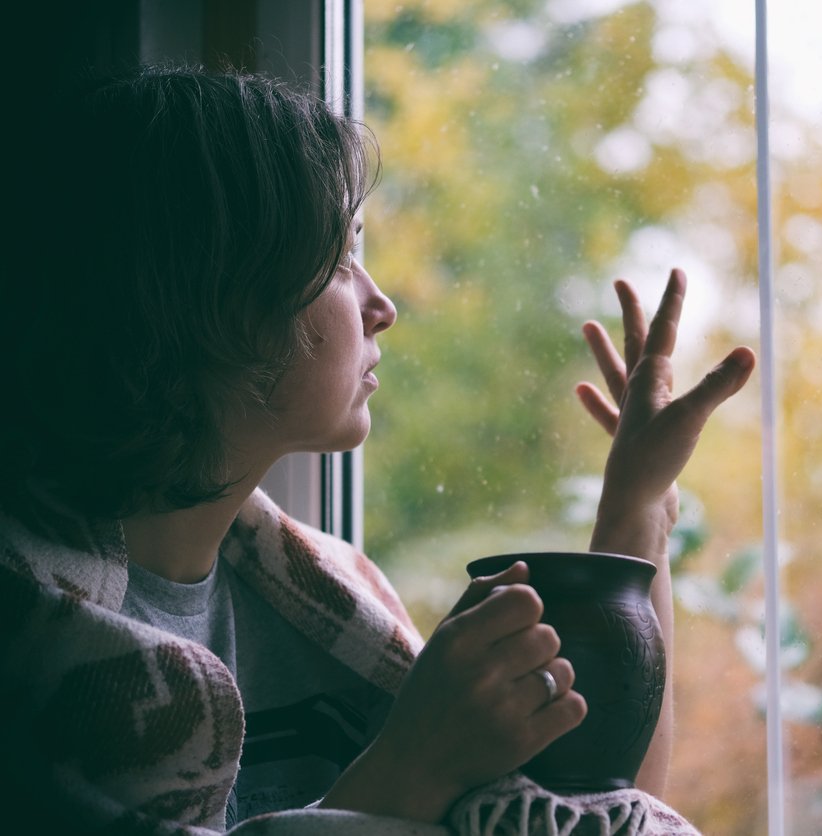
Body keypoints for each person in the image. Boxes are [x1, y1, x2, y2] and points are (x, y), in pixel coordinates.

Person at [0, 66, 755, 834]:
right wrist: (416, 765)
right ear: (206, 298)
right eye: (336, 259)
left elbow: (590, 808)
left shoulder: (336, 599)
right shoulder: (25, 653)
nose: (382, 306)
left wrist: (638, 506)